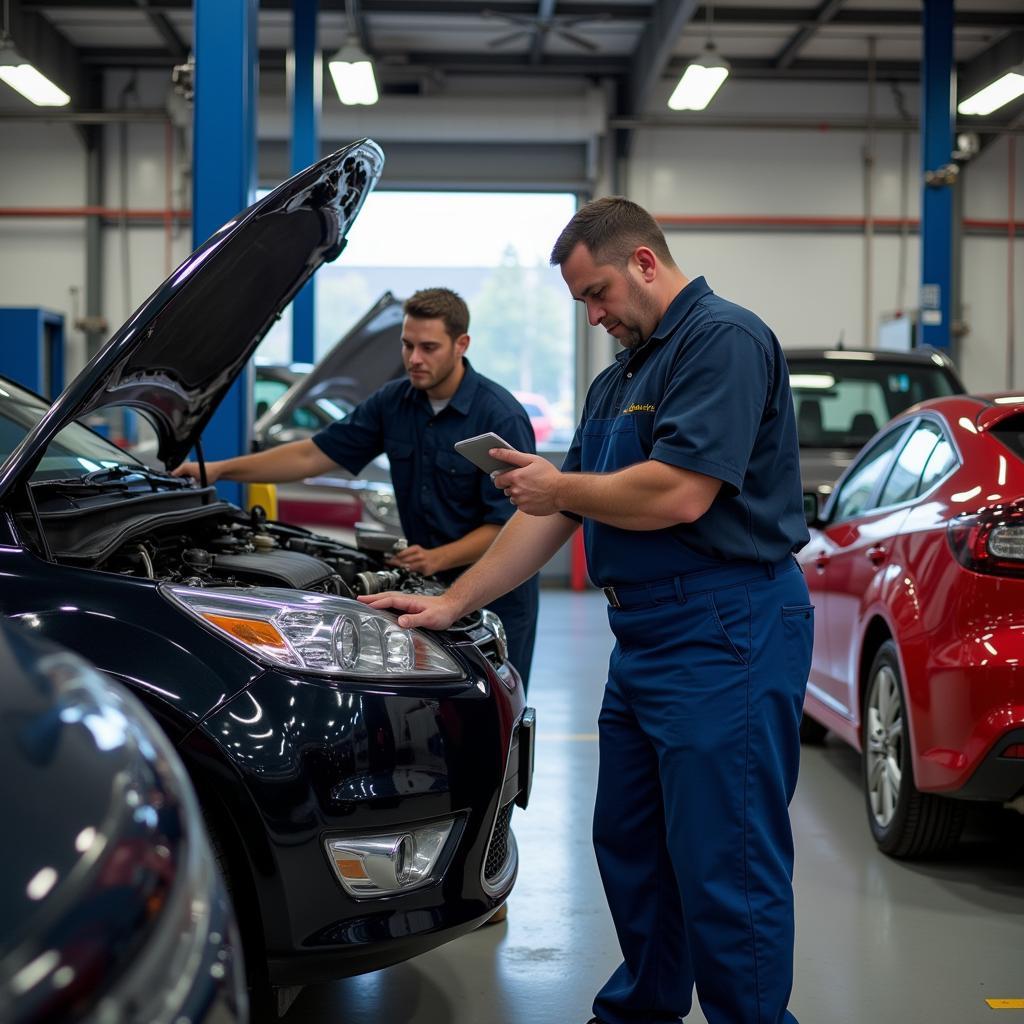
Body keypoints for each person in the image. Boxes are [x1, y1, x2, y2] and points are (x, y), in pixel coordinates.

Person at [357, 198, 813, 1024]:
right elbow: (556, 514)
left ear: (644, 261)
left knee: (726, 858)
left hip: (726, 627)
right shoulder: (617, 379)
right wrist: (449, 602)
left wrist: (558, 484)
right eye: (581, 305)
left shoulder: (724, 341)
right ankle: (643, 1009)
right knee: (633, 846)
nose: (595, 315)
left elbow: (678, 492)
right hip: (642, 634)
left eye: (598, 294)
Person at [173, 287, 540, 687]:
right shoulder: (393, 402)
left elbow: (513, 523)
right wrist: (219, 470)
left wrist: (438, 557)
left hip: (494, 597)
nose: (415, 359)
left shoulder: (499, 417)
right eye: (407, 345)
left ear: (461, 344)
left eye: (429, 347)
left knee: (495, 704)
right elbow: (310, 456)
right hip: (424, 588)